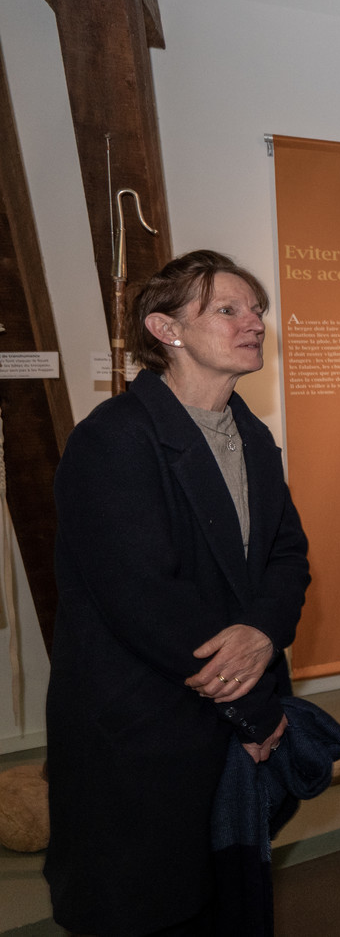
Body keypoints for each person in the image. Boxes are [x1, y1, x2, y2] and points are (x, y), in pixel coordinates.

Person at [46, 250, 312, 936]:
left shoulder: (252, 437)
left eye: (257, 308)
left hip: (224, 733)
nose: (254, 320)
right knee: (148, 909)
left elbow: (287, 555)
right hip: (143, 733)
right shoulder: (113, 440)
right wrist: (256, 708)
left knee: (225, 901)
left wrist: (263, 632)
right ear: (165, 328)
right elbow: (146, 601)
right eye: (228, 308)